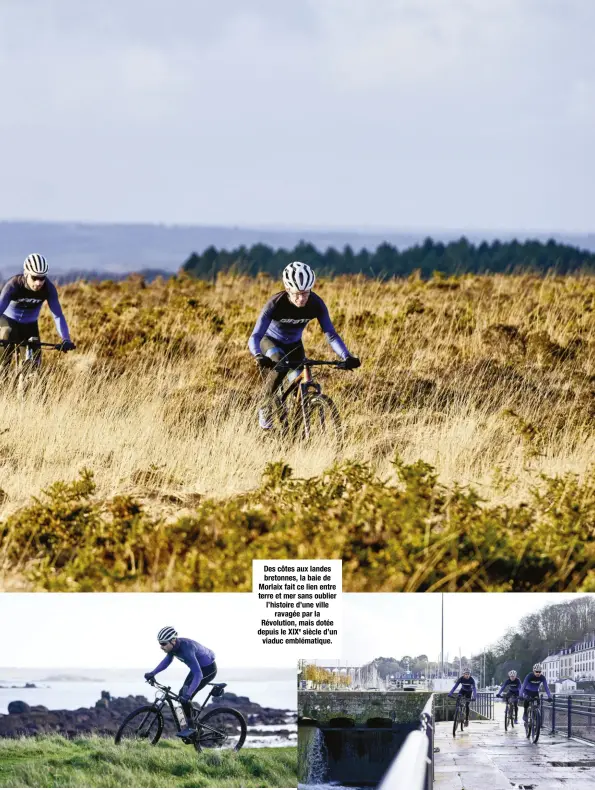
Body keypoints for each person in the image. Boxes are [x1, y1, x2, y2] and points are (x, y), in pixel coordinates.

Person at [248, 261, 361, 429]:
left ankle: (297, 428)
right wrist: (258, 354)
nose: (302, 299)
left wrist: (346, 356)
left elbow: (330, 334)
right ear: (288, 289)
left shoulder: (316, 303)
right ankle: (265, 408)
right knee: (280, 364)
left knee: (301, 385)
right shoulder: (275, 304)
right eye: (297, 294)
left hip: (294, 345)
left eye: (306, 293)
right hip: (270, 341)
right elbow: (256, 335)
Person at [0, 253, 75, 372]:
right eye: (34, 278)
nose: (38, 283)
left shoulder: (49, 289)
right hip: (8, 320)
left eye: (42, 278)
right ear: (26, 274)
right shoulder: (13, 285)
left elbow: (58, 315)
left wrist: (66, 339)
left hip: (30, 325)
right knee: (6, 337)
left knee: (34, 366)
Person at [144, 626, 217, 739]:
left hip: (208, 670)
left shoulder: (187, 649)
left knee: (186, 695)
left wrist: (188, 695)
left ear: (173, 641)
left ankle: (192, 727)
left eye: (163, 644)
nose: (161, 647)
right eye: (159, 643)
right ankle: (196, 727)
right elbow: (167, 661)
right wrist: (152, 673)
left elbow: (199, 675)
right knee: (181, 694)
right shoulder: (173, 648)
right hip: (197, 669)